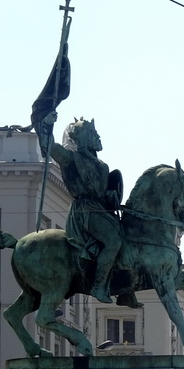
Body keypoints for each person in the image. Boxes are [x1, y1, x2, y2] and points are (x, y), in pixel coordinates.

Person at [50, 118, 124, 304]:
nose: (98, 137)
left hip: (101, 209)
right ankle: (98, 286)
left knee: (128, 237)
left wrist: (111, 195)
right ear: (84, 137)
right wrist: (47, 124)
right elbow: (51, 147)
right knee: (113, 241)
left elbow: (103, 192)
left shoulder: (103, 166)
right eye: (93, 133)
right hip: (85, 211)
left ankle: (124, 289)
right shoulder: (72, 158)